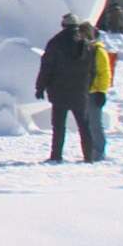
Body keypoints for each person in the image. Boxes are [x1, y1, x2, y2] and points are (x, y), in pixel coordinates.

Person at [35, 13, 94, 163]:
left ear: (63, 25)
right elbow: (92, 69)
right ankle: (89, 156)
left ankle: (56, 156)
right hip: (80, 92)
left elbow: (46, 67)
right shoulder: (86, 43)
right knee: (84, 126)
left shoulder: (55, 42)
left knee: (59, 127)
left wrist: (40, 87)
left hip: (59, 91)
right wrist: (88, 86)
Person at [84, 23, 110, 162]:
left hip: (94, 92)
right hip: (85, 91)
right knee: (88, 124)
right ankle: (91, 151)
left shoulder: (98, 50)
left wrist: (101, 90)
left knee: (95, 124)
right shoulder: (85, 49)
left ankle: (99, 152)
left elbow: (104, 72)